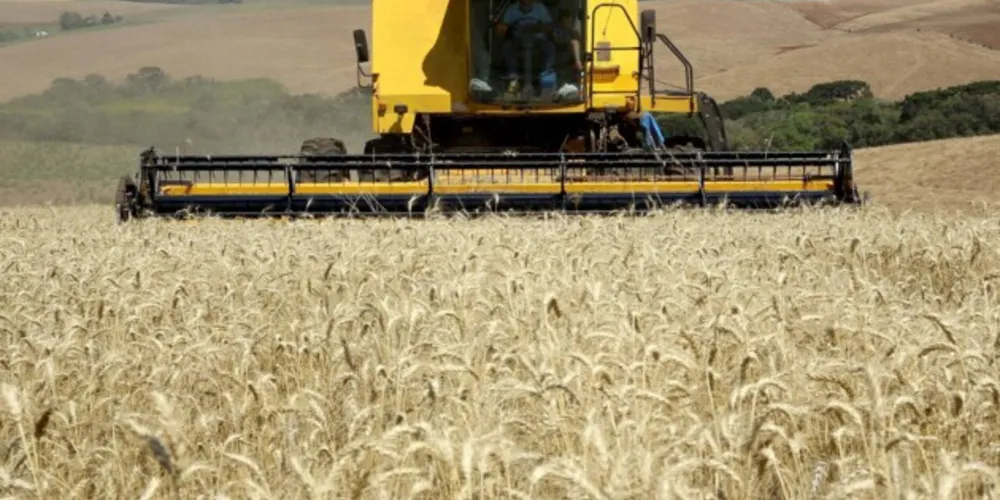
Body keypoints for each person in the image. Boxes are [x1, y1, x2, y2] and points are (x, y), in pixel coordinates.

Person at [495, 0, 556, 97]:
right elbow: (503, 27)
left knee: (549, 47)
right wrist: (502, 28)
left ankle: (546, 79)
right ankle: (513, 78)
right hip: (517, 40)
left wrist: (538, 27)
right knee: (507, 47)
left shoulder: (540, 8)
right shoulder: (512, 9)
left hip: (538, 40)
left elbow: (549, 26)